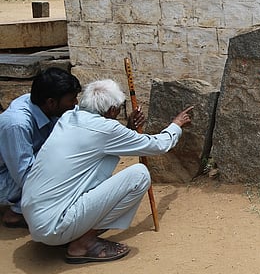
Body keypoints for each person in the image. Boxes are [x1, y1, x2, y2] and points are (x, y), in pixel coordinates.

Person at [21, 79, 193, 264]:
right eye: (118, 109)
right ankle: (83, 243)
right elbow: (157, 145)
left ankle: (75, 233)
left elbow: (102, 144)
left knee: (101, 167)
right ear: (112, 110)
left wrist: (128, 130)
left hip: (34, 218)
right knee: (139, 175)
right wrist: (176, 124)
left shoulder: (69, 117)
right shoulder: (106, 129)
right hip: (53, 226)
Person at [0, 68, 82, 229]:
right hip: (7, 179)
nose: (75, 104)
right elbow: (25, 176)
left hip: (18, 171)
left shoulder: (45, 105)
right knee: (63, 159)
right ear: (51, 102)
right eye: (71, 100)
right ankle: (17, 213)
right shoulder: (16, 124)